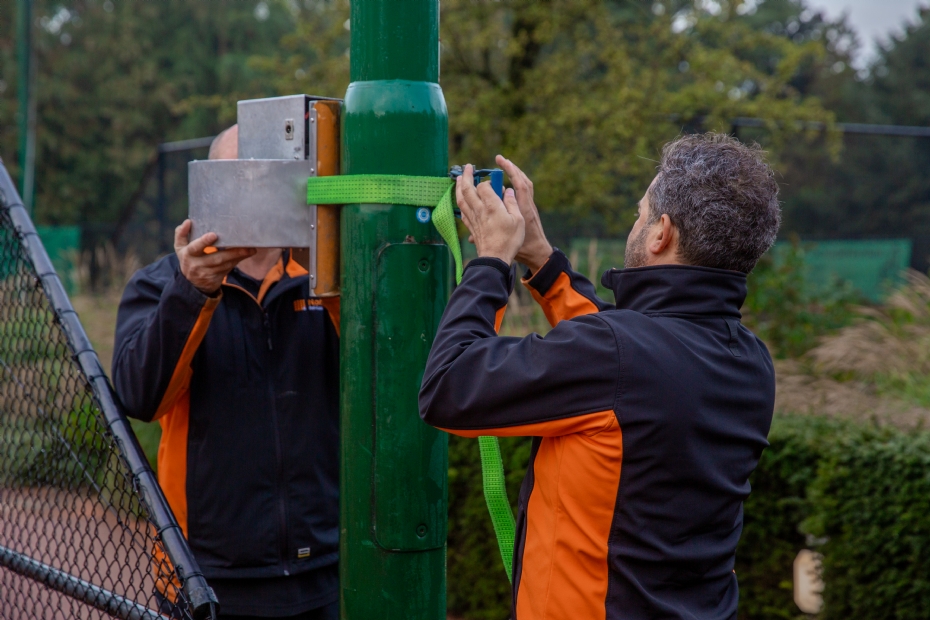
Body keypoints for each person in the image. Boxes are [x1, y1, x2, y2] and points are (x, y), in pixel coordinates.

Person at [419, 133, 780, 620]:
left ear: (660, 234)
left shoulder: (615, 355)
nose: (636, 223)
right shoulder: (751, 361)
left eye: (639, 213)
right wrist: (542, 260)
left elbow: (449, 386)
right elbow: (627, 363)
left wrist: (490, 261)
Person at [113, 126, 340, 620]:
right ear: (208, 188)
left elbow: (386, 385)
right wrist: (192, 291)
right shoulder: (161, 284)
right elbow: (139, 397)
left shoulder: (326, 282)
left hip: (324, 569)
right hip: (204, 578)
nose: (253, 190)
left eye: (266, 174)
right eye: (237, 176)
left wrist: (326, 260)